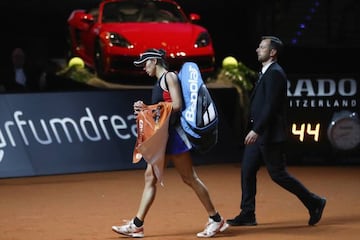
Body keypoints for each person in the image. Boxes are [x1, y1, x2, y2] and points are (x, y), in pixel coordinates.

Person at [111, 48, 228, 238]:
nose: (144, 68)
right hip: (164, 139)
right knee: (150, 178)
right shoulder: (159, 81)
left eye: (145, 64)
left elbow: (177, 105)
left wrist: (149, 108)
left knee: (189, 178)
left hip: (174, 137)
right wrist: (144, 110)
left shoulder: (169, 77)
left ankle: (216, 219)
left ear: (155, 61)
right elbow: (159, 112)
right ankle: (137, 225)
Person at [227, 36, 326, 227]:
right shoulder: (266, 72)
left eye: (262, 47)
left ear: (273, 52)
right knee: (247, 171)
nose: (257, 49)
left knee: (278, 174)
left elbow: (270, 106)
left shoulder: (275, 73)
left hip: (269, 134)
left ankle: (314, 202)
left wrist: (257, 129)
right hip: (260, 134)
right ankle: (248, 213)